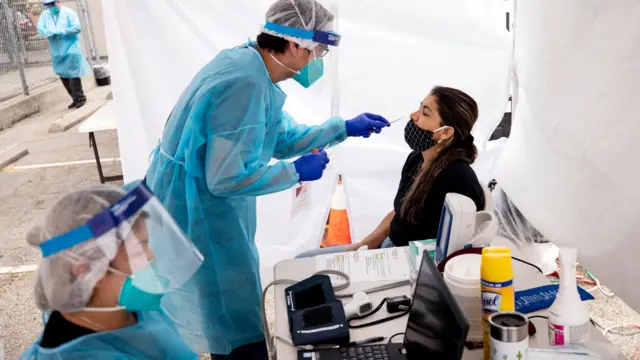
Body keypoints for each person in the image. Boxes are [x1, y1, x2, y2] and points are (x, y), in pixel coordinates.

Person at [144, 0, 389, 358]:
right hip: (202, 212)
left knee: (230, 307)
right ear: (293, 43)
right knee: (232, 316)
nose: (318, 59)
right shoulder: (244, 83)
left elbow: (277, 136)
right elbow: (224, 179)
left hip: (201, 204)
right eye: (318, 49)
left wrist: (343, 128)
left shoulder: (249, 65)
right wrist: (294, 172)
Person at [20, 184, 204, 359]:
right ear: (86, 269)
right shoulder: (80, 355)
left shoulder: (127, 308)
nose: (151, 255)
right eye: (139, 248)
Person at [298, 86, 485, 257]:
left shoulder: (457, 179)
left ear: (445, 133)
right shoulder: (417, 159)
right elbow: (399, 214)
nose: (413, 115)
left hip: (408, 263)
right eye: (419, 107)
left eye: (425, 113)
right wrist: (362, 247)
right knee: (301, 261)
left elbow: (454, 250)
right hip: (388, 249)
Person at [37, 0, 91, 109]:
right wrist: (49, 32)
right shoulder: (45, 15)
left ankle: (81, 98)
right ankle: (75, 99)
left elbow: (77, 28)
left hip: (70, 47)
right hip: (56, 50)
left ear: (58, 2)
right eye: (48, 5)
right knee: (63, 75)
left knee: (73, 74)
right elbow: (40, 28)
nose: (51, 7)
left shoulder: (68, 12)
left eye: (52, 4)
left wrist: (63, 31)